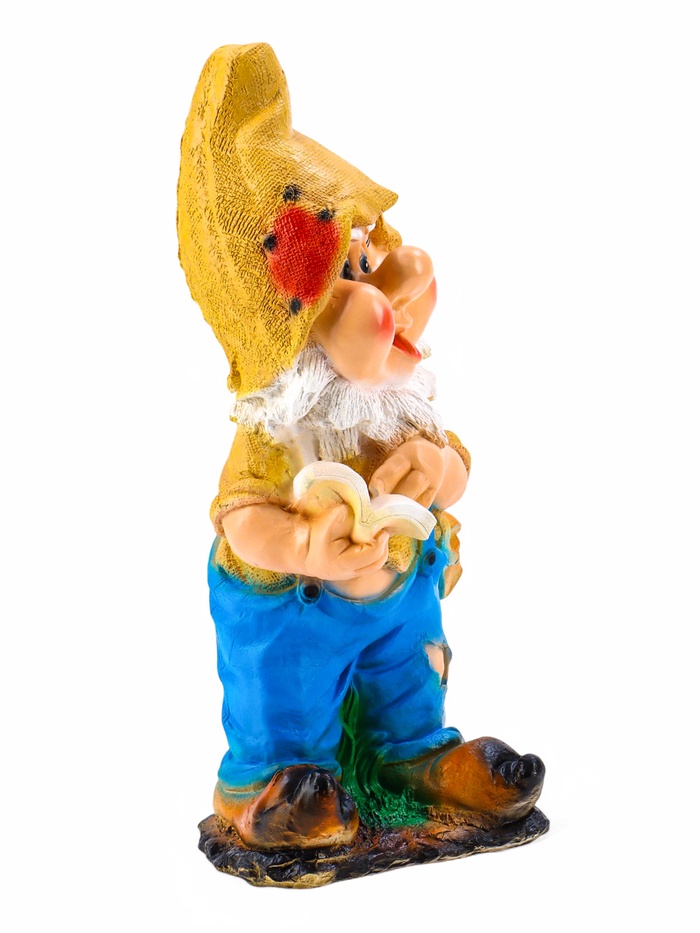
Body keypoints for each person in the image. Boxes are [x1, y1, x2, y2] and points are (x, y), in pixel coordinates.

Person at [178, 43, 544, 850]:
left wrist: (440, 469)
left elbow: (455, 465)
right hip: (297, 617)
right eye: (352, 275)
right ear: (287, 333)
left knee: (410, 682)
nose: (399, 282)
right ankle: (276, 784)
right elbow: (240, 517)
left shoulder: (391, 408)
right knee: (287, 702)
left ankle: (417, 757)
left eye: (372, 256)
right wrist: (304, 545)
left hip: (397, 605)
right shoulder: (277, 428)